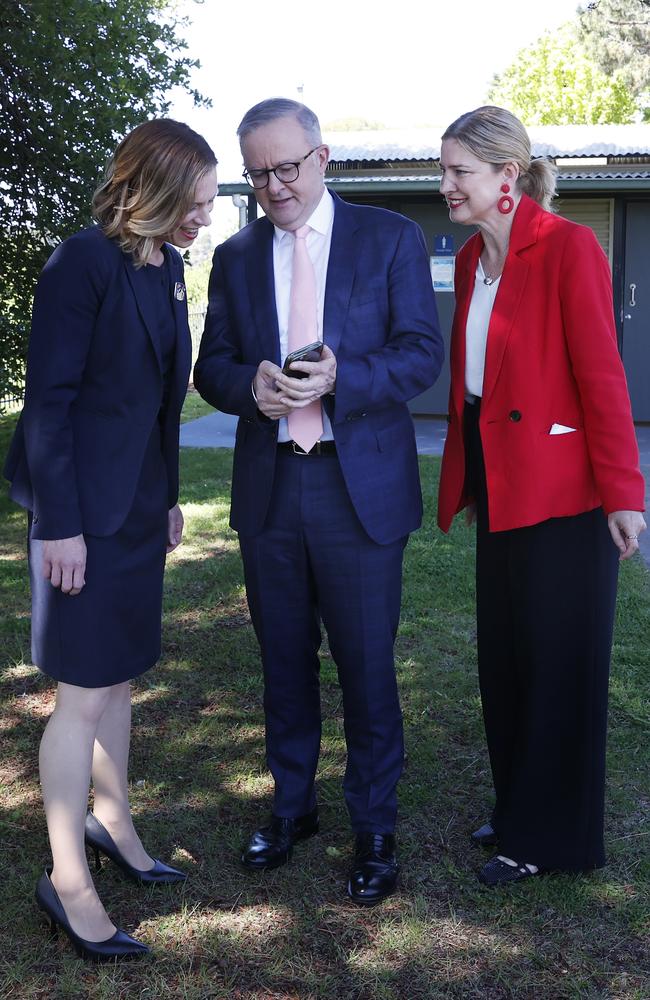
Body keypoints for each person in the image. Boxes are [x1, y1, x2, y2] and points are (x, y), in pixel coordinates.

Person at [194, 98, 443, 906]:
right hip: (271, 487)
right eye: (258, 172)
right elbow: (214, 366)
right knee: (283, 661)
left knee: (367, 665)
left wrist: (345, 378)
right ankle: (292, 807)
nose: (273, 187)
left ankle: (373, 825)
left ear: (322, 156)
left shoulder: (389, 238)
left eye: (286, 167)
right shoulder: (234, 256)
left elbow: (420, 354)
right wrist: (250, 388)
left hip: (356, 484)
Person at [3, 119, 217, 959]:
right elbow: (49, 402)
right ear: (155, 189)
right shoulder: (80, 262)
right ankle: (67, 883)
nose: (205, 215)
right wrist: (61, 525)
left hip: (135, 514)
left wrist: (164, 498)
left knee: (121, 680)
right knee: (81, 694)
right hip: (78, 521)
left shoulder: (165, 271)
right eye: (196, 201)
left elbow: (164, 398)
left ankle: (115, 824)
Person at [436, 105, 646, 886]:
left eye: (459, 170)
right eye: (445, 168)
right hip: (501, 485)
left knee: (559, 664)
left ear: (506, 177)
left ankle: (546, 840)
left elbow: (601, 374)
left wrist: (625, 493)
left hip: (569, 493)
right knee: (509, 661)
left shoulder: (569, 247)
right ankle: (519, 805)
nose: (446, 183)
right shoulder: (469, 261)